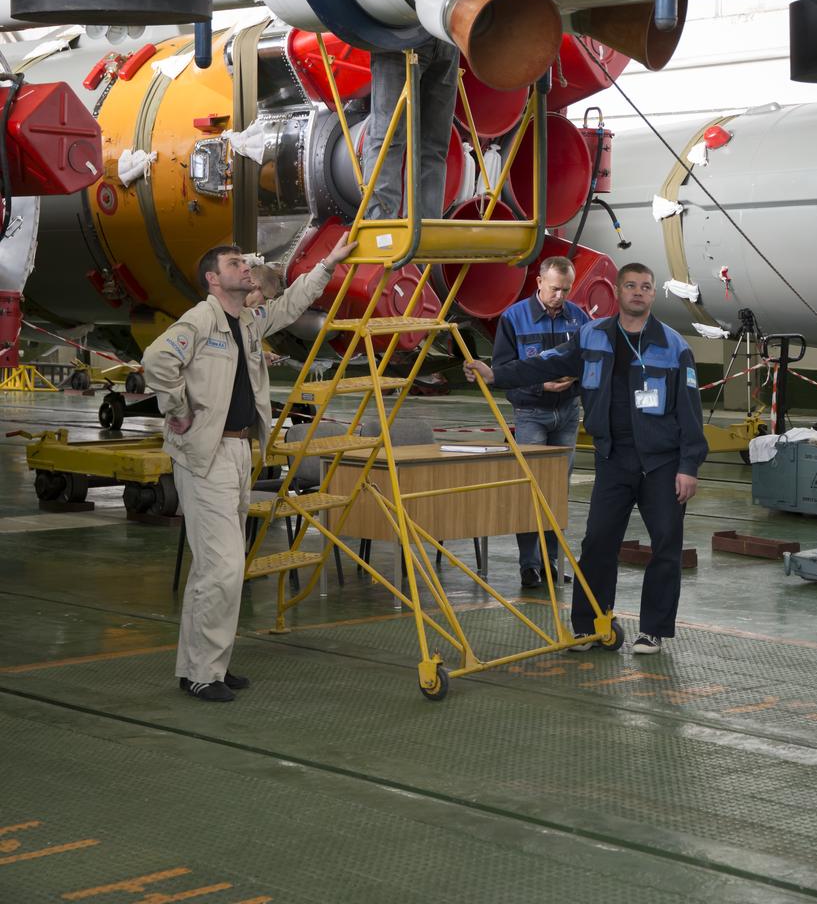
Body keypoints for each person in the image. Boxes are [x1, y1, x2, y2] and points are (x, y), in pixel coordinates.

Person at [143, 232, 355, 701]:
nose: (245, 267)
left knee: (216, 569)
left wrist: (330, 263)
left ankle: (204, 665)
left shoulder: (247, 322)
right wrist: (175, 407)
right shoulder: (200, 320)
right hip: (207, 456)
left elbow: (293, 303)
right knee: (222, 569)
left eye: (244, 261)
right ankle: (204, 674)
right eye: (235, 263)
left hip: (240, 453)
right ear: (214, 279)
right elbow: (156, 360)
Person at [465, 262, 707, 656]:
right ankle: (589, 624)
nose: (638, 293)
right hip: (613, 459)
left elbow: (690, 412)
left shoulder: (675, 346)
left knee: (666, 545)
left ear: (652, 293)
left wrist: (688, 466)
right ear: (618, 291)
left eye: (645, 287)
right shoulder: (591, 336)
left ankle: (653, 632)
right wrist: (496, 375)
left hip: (662, 464)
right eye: (630, 286)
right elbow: (546, 362)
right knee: (596, 543)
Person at [492, 256, 590, 589]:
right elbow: (502, 371)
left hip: (567, 413)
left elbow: (590, 362)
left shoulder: (579, 319)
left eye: (566, 290)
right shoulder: (513, 319)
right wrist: (539, 385)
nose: (560, 296)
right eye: (554, 289)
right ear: (538, 283)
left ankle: (552, 562)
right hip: (532, 413)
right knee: (531, 489)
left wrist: (573, 384)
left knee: (556, 492)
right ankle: (529, 565)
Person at [361, 38, 460, 220]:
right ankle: (382, 230)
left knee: (427, 146)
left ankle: (423, 229)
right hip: (402, 34)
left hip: (441, 38)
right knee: (389, 139)